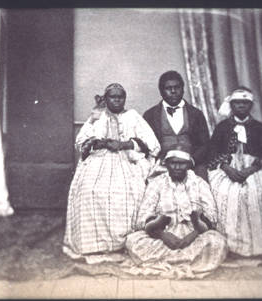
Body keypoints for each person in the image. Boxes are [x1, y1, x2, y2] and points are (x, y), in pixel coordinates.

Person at [63, 83, 161, 260]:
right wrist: (99, 142)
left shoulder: (133, 116)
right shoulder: (97, 116)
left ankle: (124, 243)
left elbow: (153, 144)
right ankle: (94, 244)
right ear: (106, 99)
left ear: (125, 98)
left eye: (120, 96)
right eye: (112, 97)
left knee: (130, 191)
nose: (117, 100)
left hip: (128, 160)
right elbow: (81, 142)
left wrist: (124, 144)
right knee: (90, 191)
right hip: (99, 161)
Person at [125, 148, 227, 275]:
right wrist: (163, 235)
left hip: (194, 233)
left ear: (189, 165)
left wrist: (192, 236)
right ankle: (190, 261)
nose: (177, 167)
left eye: (182, 163)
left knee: (218, 242)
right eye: (173, 163)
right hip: (162, 234)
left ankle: (165, 261)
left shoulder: (199, 183)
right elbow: (143, 215)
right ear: (166, 164)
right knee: (133, 242)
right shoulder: (157, 183)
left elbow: (211, 214)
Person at [206, 87, 262, 257]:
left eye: (245, 103)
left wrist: (249, 170)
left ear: (251, 105)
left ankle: (255, 246)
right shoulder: (223, 127)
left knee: (251, 192)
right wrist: (226, 168)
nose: (241, 106)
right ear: (231, 105)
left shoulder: (259, 128)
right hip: (226, 166)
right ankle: (228, 245)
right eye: (237, 103)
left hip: (254, 168)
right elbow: (213, 151)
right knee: (223, 191)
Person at [143, 70, 210, 180]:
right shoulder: (150, 115)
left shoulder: (196, 114)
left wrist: (192, 160)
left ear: (183, 89)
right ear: (161, 91)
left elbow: (205, 144)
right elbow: (146, 146)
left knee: (201, 188)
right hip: (162, 164)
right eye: (168, 88)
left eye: (177, 87)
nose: (173, 91)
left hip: (192, 164)